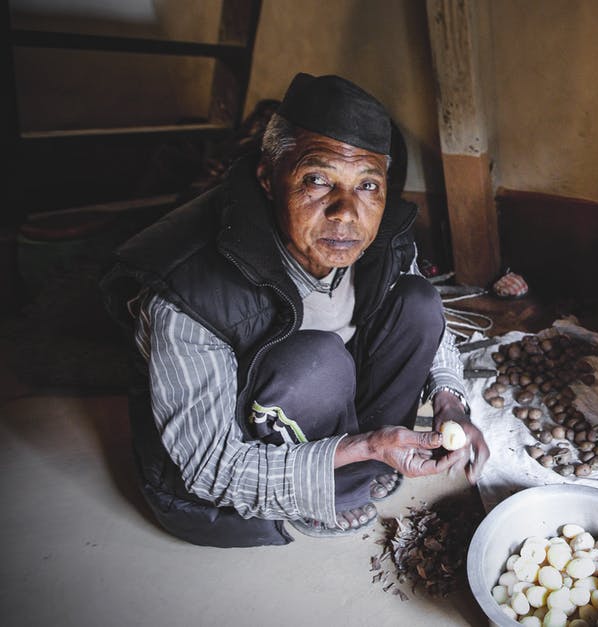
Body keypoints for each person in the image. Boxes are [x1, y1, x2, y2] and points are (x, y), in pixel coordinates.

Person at [102, 73, 490, 547]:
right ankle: (335, 487)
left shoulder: (383, 231)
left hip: (328, 401)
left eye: (368, 184)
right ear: (268, 177)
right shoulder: (189, 285)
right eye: (317, 179)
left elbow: (433, 332)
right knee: (317, 361)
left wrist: (451, 402)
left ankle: (365, 464)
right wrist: (364, 444)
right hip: (240, 441)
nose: (346, 212)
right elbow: (209, 468)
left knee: (419, 302)